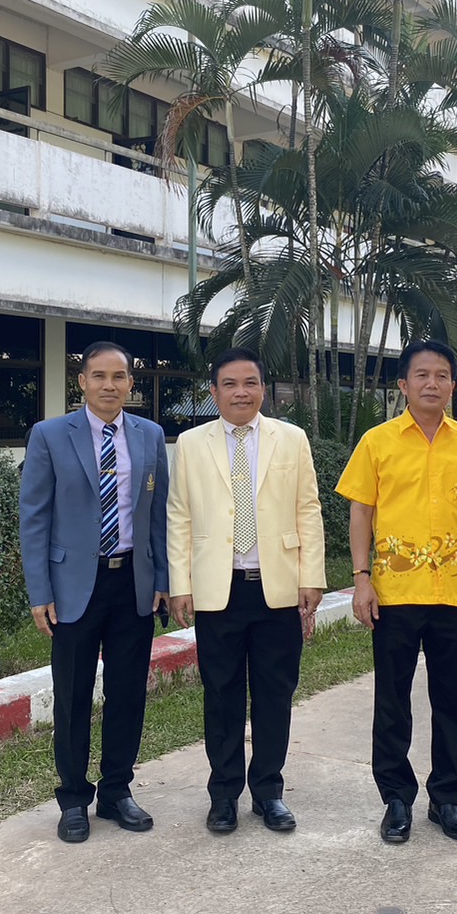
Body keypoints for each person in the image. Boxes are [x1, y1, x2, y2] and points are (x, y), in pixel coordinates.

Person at [337, 339, 457, 845]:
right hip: (395, 591)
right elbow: (361, 511)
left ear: (453, 386)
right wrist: (361, 578)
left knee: (453, 700)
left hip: (455, 591)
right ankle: (396, 798)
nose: (432, 384)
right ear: (403, 385)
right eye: (422, 375)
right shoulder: (377, 442)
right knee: (392, 700)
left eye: (442, 376)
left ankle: (447, 798)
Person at [167, 348, 326, 834]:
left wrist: (311, 577)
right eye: (230, 384)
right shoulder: (191, 443)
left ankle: (268, 792)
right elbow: (179, 515)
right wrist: (180, 584)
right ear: (213, 392)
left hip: (277, 588)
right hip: (218, 590)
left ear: (263, 389)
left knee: (276, 694)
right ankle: (223, 795)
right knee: (222, 695)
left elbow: (308, 508)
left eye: (250, 383)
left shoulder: (291, 439)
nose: (241, 392)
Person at [20, 341, 169, 844]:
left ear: (131, 383)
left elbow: (158, 515)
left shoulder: (149, 435)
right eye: (99, 376)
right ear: (82, 381)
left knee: (128, 693)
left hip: (132, 582)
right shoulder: (49, 435)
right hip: (73, 586)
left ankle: (117, 791)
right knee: (73, 695)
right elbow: (34, 518)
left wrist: (162, 579)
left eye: (119, 376)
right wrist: (39, 590)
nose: (110, 385)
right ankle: (73, 798)